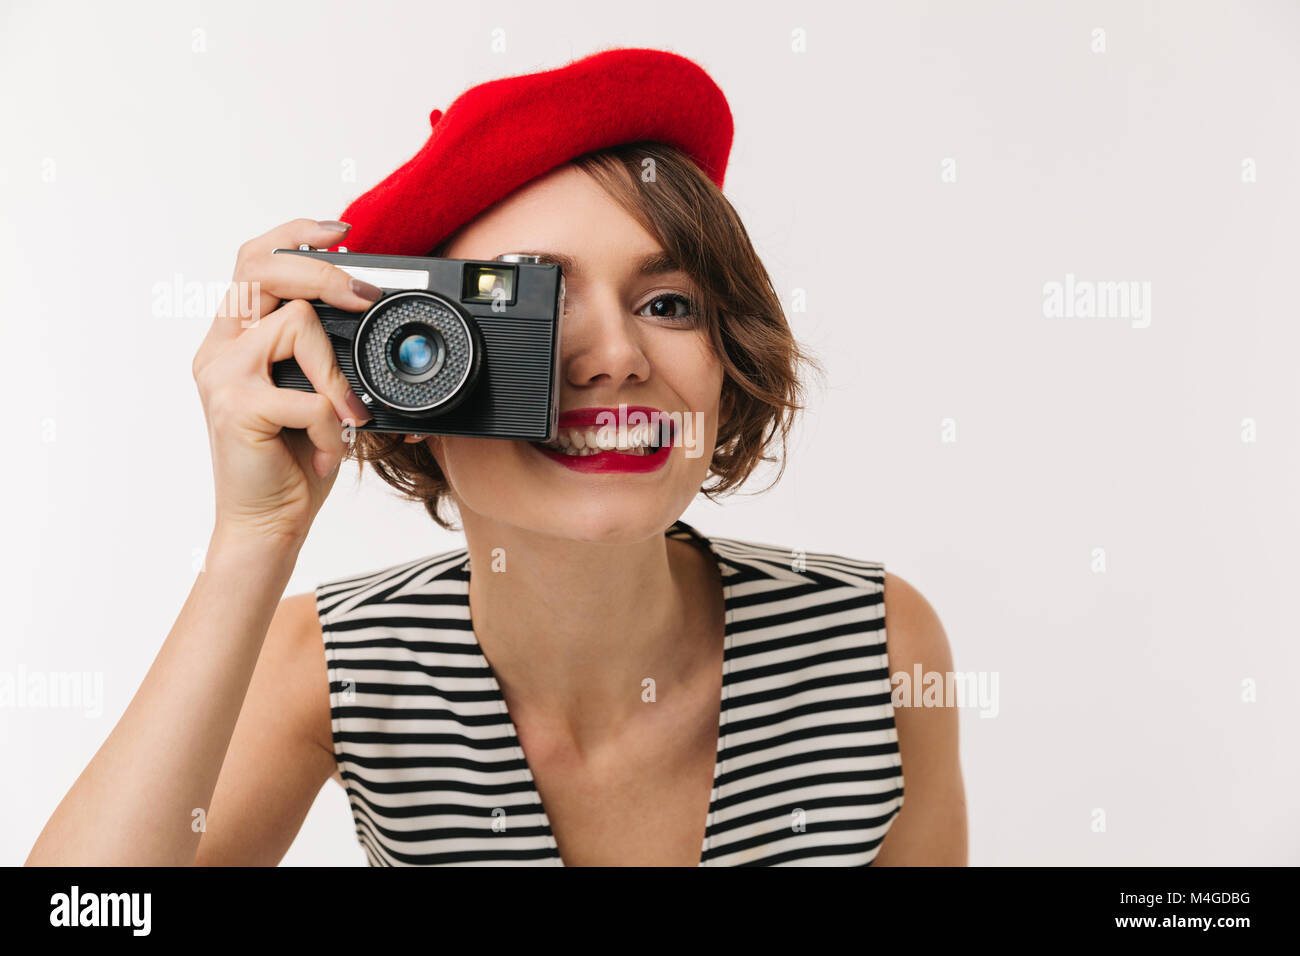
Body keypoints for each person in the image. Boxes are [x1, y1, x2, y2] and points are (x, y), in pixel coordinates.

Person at [27, 48, 966, 867]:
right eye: (533, 308)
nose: (616, 358)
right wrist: (252, 537)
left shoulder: (877, 648)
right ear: (408, 370)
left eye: (668, 303)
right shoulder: (333, 667)